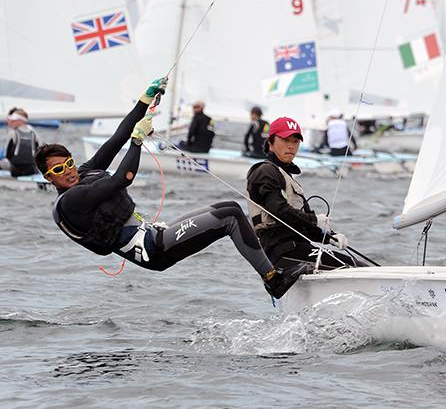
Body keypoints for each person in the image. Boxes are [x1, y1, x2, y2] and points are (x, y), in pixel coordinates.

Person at [34, 78, 307, 299]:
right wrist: (138, 141)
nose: (68, 170)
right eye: (58, 169)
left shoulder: (84, 173)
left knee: (228, 211)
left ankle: (275, 266)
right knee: (230, 215)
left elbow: (118, 136)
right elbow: (123, 177)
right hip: (154, 249)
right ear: (48, 177)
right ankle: (273, 280)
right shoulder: (71, 201)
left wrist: (144, 101)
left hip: (156, 235)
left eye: (68, 162)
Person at [246, 117, 370, 271]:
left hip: (297, 249)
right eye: (286, 140)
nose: (291, 146)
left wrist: (330, 237)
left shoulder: (284, 174)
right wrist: (315, 220)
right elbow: (279, 211)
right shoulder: (265, 171)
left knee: (358, 264)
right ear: (270, 142)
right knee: (355, 267)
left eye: (296, 141)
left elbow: (304, 224)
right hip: (282, 254)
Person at [1, 107, 41, 177]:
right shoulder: (34, 133)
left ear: (20, 121)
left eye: (13, 121)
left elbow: (7, 155)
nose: (10, 122)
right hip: (31, 170)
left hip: (15, 170)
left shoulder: (13, 133)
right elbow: (39, 151)